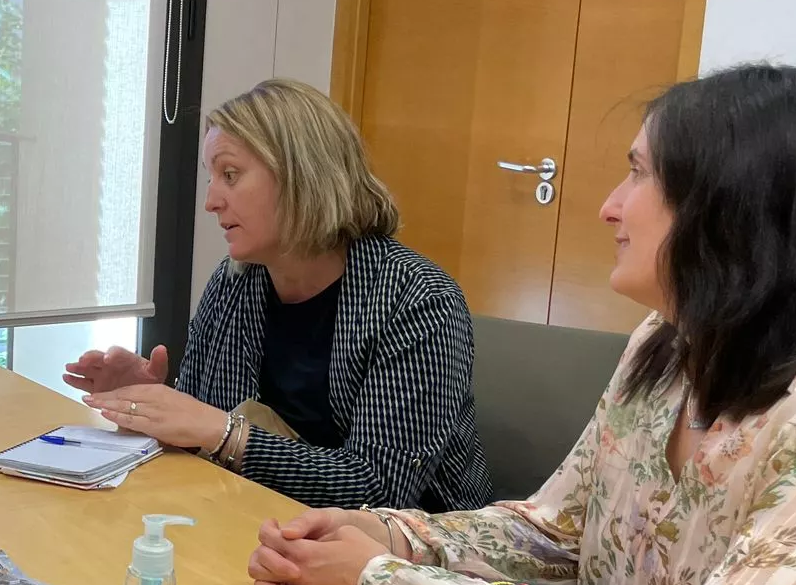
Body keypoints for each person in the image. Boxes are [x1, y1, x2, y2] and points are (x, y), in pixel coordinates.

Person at [249, 64, 796, 585]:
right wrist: (389, 534)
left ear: (730, 204)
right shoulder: (669, 343)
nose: (609, 207)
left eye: (638, 175)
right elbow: (554, 533)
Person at [66, 78, 491, 512]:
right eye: (211, 178)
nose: (211, 200)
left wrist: (222, 432)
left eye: (229, 175)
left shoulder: (417, 299)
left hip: (407, 559)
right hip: (258, 520)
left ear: (303, 175)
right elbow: (202, 427)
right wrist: (147, 402)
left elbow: (378, 490)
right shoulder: (234, 283)